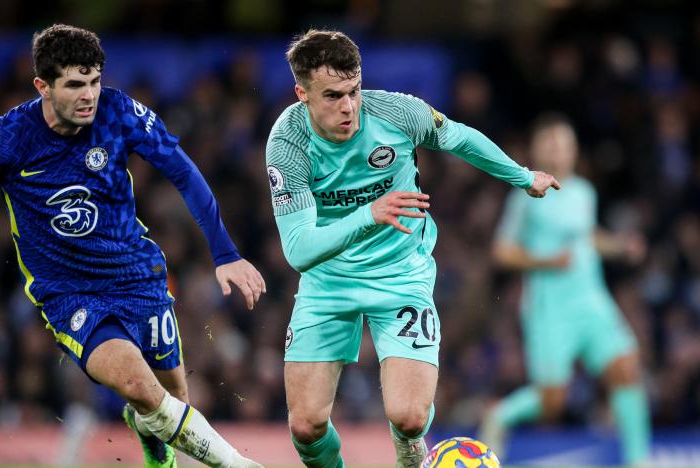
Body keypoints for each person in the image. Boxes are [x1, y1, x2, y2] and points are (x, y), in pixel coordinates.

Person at [0, 24, 266, 468]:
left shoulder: (118, 111)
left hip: (136, 275)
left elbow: (183, 172)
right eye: (74, 84)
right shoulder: (10, 137)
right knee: (140, 387)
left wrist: (224, 254)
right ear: (43, 87)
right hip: (68, 292)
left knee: (171, 398)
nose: (88, 94)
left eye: (94, 81)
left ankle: (154, 448)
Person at [264, 29, 560, 468]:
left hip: (401, 273)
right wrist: (369, 214)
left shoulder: (397, 112)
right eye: (332, 96)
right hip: (328, 280)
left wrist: (522, 176)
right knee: (305, 427)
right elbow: (300, 250)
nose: (349, 107)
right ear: (301, 93)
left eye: (354, 91)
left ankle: (410, 453)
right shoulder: (287, 143)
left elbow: (459, 138)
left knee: (408, 416)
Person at [479, 114, 651, 464]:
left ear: (573, 150)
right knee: (551, 401)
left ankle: (639, 462)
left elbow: (587, 238)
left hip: (591, 300)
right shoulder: (526, 194)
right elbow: (501, 251)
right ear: (537, 150)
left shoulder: (584, 192)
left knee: (627, 371)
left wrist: (620, 246)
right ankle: (498, 416)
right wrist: (545, 262)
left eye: (563, 143)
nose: (557, 151)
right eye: (550, 143)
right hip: (549, 307)